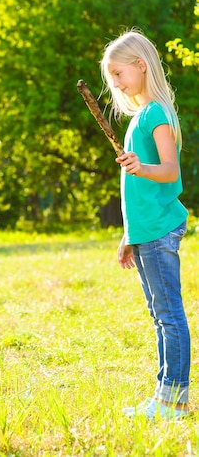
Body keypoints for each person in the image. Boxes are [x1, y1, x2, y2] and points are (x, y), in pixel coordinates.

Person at [100, 29, 190, 420]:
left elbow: (169, 172)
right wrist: (127, 236)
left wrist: (141, 166)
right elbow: (137, 195)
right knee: (160, 315)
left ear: (140, 66)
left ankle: (173, 400)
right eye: (110, 78)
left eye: (118, 74)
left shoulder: (156, 114)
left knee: (169, 315)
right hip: (145, 232)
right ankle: (165, 396)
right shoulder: (141, 116)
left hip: (159, 229)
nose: (115, 84)